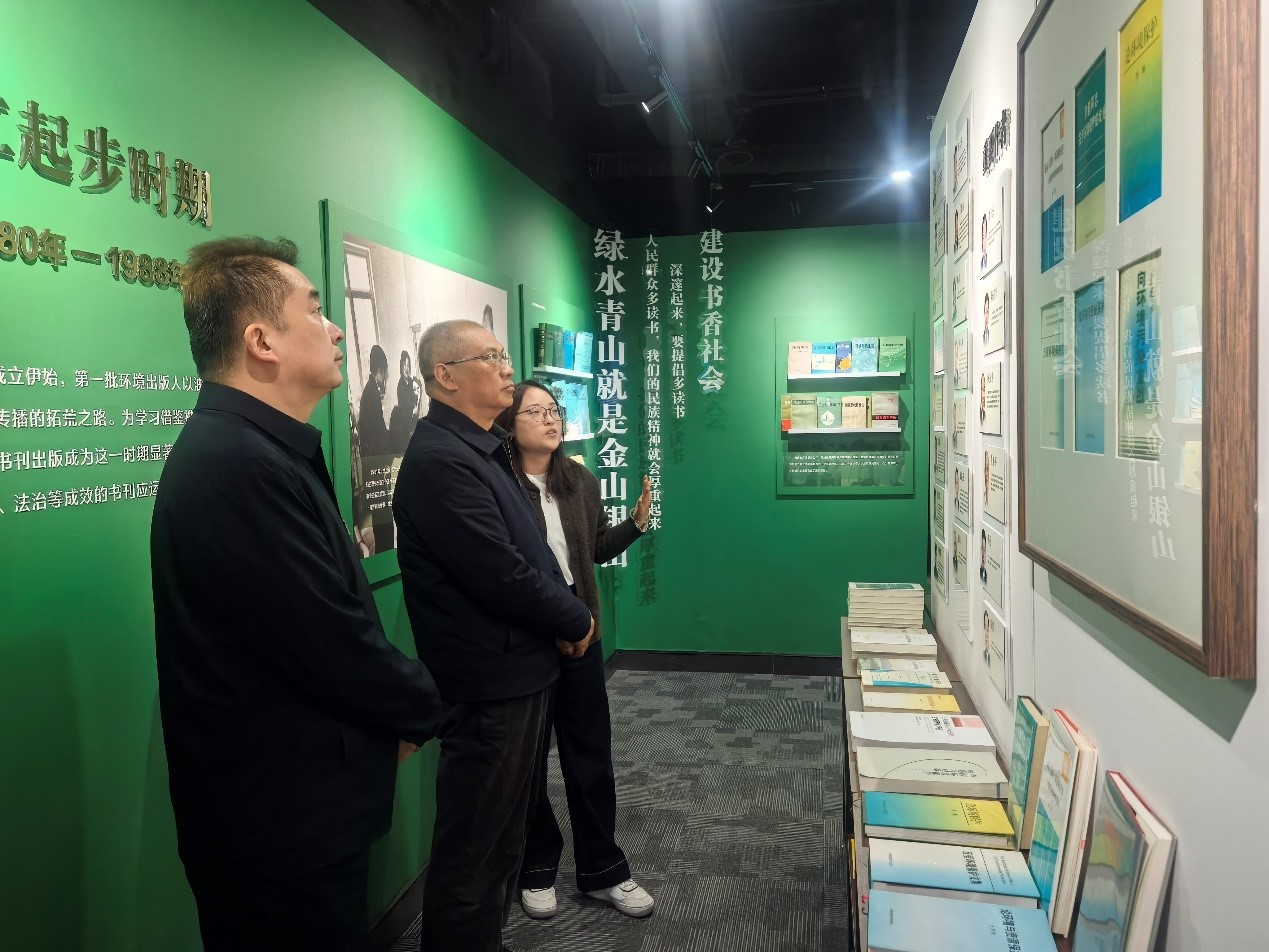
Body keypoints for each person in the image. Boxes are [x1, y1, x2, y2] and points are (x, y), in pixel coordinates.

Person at [151, 236, 444, 951]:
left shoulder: (253, 450)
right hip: (276, 824)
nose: (336, 328)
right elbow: (325, 635)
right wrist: (420, 706)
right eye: (315, 309)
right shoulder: (238, 463)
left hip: (288, 810)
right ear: (262, 342)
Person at [393, 320, 594, 952]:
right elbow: (501, 572)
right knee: (475, 855)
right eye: (491, 357)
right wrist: (574, 619)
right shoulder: (442, 461)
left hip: (518, 676)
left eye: (504, 355)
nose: (508, 368)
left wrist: (564, 614)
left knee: (502, 846)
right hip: (488, 688)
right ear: (446, 376)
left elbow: (531, 553)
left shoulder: (482, 450)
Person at [492, 381, 655, 922]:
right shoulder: (497, 484)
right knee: (529, 763)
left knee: (591, 758)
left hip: (583, 635)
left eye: (554, 410)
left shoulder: (579, 480)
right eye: (535, 411)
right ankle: (537, 866)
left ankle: (604, 870)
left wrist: (635, 524)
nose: (550, 419)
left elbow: (594, 550)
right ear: (509, 424)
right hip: (528, 642)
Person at [359, 343, 391, 458]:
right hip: (372, 456)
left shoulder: (371, 389)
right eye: (385, 374)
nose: (386, 378)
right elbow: (378, 430)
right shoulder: (372, 393)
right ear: (379, 370)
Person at [388, 348, 422, 453]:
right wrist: (413, 411)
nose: (406, 368)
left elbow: (417, 398)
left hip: (414, 420)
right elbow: (403, 408)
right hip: (404, 424)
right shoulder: (400, 385)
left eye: (408, 365)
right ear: (401, 366)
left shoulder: (412, 382)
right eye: (404, 365)